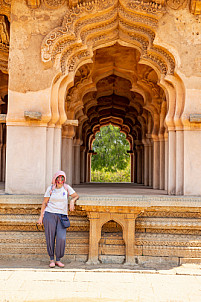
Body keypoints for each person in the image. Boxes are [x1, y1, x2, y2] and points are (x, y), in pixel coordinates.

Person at [37, 171, 79, 268]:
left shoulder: (67, 188)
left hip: (62, 216)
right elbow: (44, 203)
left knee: (61, 238)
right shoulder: (50, 189)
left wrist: (72, 201)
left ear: (64, 179)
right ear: (55, 179)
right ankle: (52, 259)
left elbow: (76, 195)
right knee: (50, 237)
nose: (60, 180)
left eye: (62, 178)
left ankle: (58, 259)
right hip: (49, 214)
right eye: (58, 178)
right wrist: (41, 217)